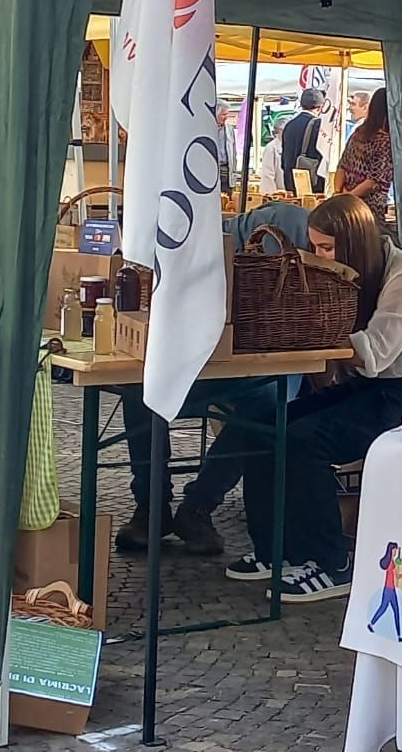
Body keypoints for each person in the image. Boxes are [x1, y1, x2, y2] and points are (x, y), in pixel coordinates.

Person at [224, 195, 402, 601]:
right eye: (314, 246)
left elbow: (376, 352)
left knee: (305, 440)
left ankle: (330, 562)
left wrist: (313, 336)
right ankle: (276, 550)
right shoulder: (353, 270)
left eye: (327, 248)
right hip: (370, 386)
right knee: (263, 427)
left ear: (354, 244)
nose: (319, 256)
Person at [114, 202, 313, 556]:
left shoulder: (296, 232)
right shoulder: (204, 236)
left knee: (269, 402)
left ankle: (198, 506)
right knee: (140, 389)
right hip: (197, 354)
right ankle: (151, 506)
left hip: (264, 364)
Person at [335, 88, 393, 221]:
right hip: (368, 210)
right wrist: (350, 197)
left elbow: (341, 167)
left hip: (347, 206)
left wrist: (339, 194)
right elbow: (373, 182)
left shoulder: (358, 133)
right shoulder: (384, 141)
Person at [280, 88, 327, 194]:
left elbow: (284, 157)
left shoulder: (289, 125)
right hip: (311, 181)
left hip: (290, 180)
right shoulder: (319, 125)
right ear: (320, 107)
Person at [367, 541, 402, 641]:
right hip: (388, 589)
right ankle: (371, 623)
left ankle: (399, 635)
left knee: (395, 610)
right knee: (384, 608)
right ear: (391, 550)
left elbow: (396, 575)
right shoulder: (389, 562)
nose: (395, 552)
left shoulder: (392, 562)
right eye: (394, 550)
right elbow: (394, 574)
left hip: (392, 589)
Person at [260, 113, 290, 195]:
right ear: (280, 131)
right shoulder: (271, 148)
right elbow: (268, 174)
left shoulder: (289, 145)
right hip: (276, 192)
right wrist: (272, 194)